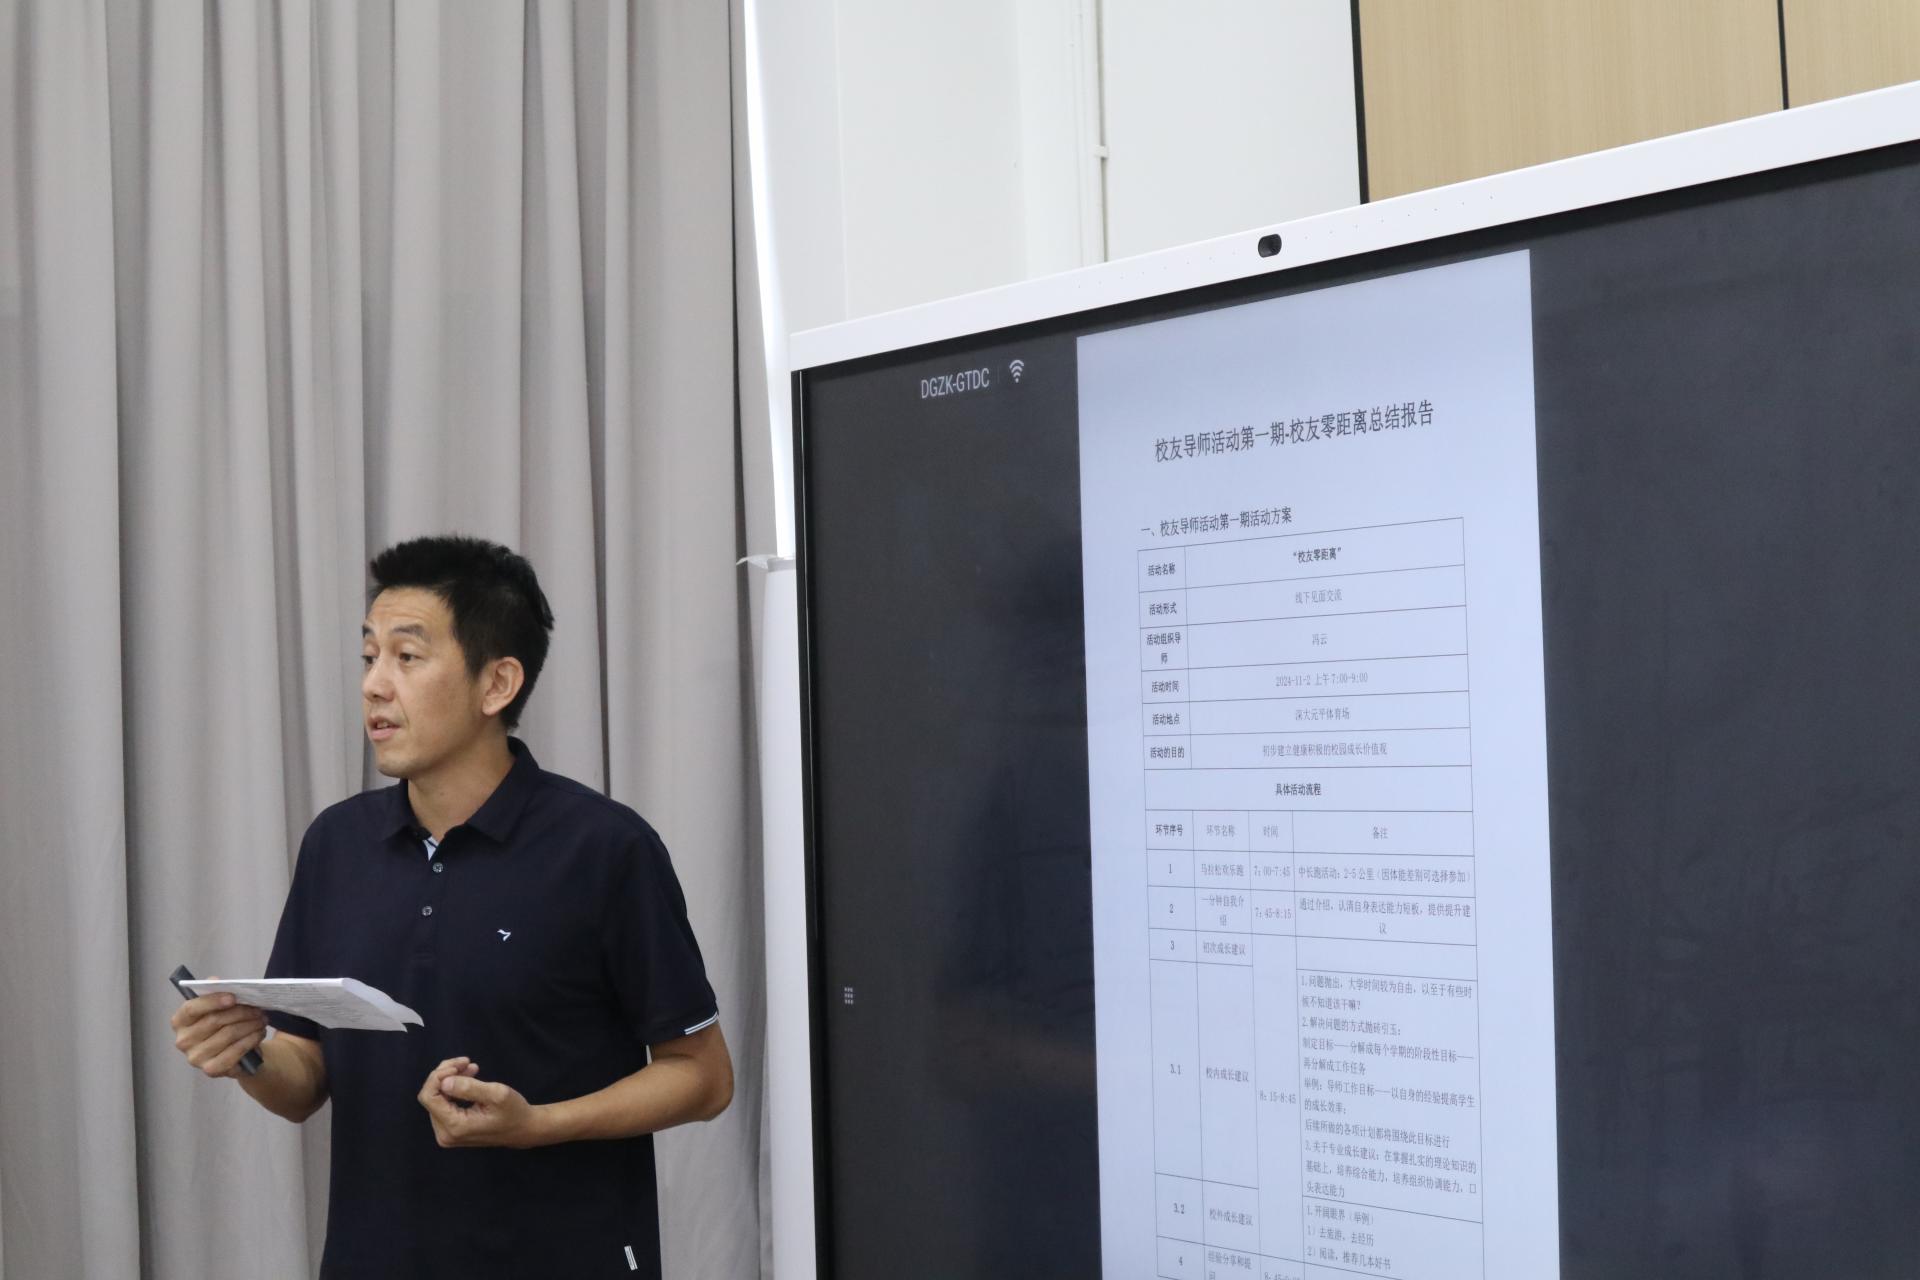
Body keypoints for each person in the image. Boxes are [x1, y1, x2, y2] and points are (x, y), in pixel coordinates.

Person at [169, 534, 732, 1278]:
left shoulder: (605, 849)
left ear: (496, 684)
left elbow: (703, 1076)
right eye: (368, 656)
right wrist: (245, 1052)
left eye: (407, 657)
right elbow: (304, 1075)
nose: (374, 685)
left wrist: (537, 1125)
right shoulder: (337, 844)